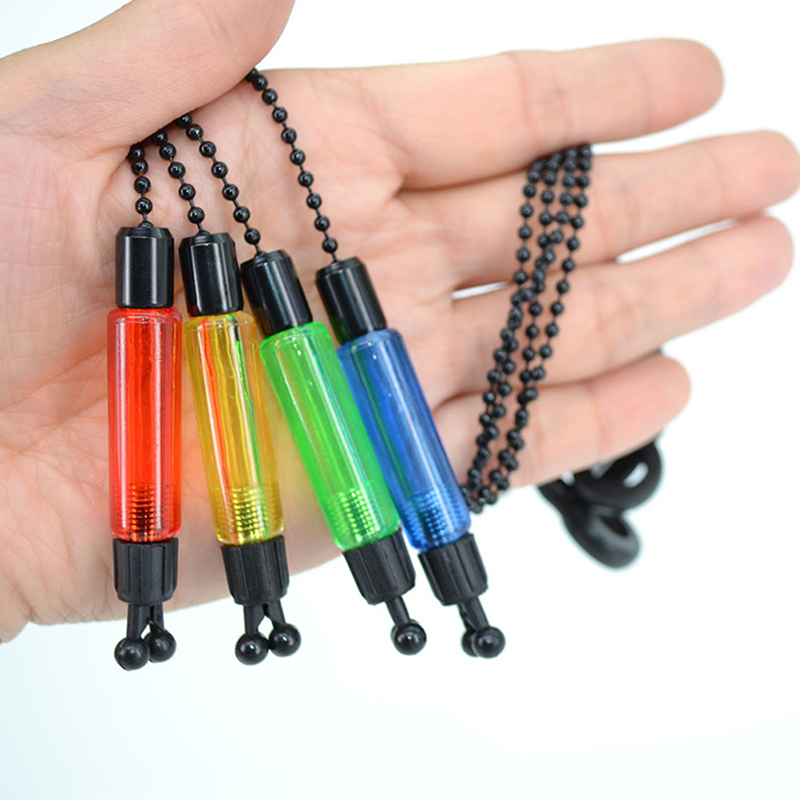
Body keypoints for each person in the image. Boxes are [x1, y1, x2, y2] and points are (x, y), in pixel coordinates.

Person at [0, 0, 796, 646]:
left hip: (292, 484)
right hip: (229, 506)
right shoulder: (211, 335)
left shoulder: (293, 340)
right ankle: (377, 610)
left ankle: (356, 609)